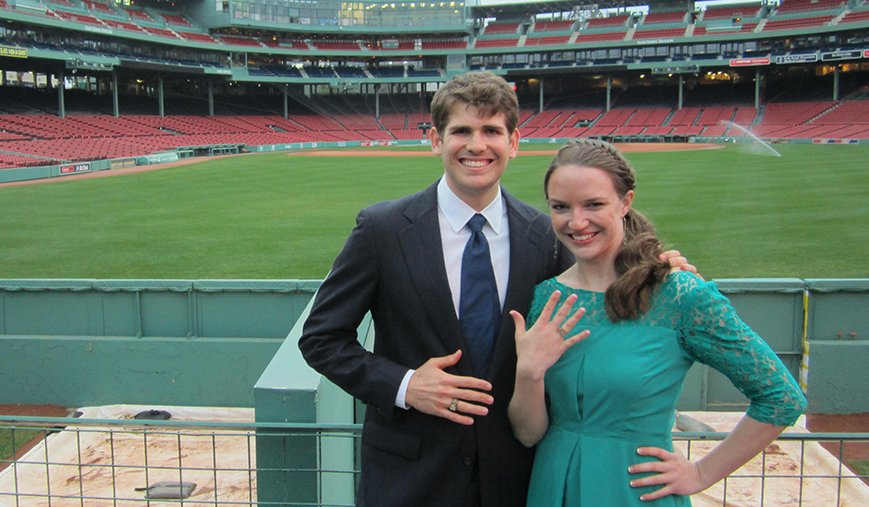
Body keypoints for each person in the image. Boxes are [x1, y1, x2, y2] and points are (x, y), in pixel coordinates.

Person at [299, 72, 692, 507]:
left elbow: (603, 286)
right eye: (461, 131)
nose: (477, 145)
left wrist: (657, 271)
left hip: (517, 478)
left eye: (491, 131)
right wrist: (406, 385)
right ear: (435, 139)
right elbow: (321, 337)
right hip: (409, 480)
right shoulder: (382, 229)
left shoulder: (547, 237)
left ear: (515, 142)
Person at [508, 138, 806, 506]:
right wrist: (529, 373)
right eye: (561, 207)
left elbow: (781, 397)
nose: (577, 221)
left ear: (625, 202)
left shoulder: (679, 294)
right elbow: (527, 434)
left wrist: (701, 473)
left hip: (635, 490)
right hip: (554, 487)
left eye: (594, 204)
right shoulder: (546, 298)